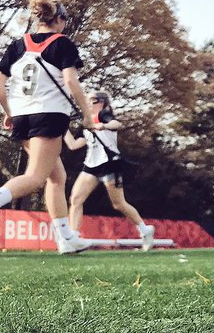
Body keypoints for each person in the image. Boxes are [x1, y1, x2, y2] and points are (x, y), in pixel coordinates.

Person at [0, 0, 95, 254]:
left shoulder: (18, 45)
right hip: (48, 116)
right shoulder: (63, 44)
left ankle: (65, 239)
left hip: (23, 116)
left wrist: (9, 112)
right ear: (59, 19)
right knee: (36, 177)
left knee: (57, 176)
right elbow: (71, 82)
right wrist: (86, 115)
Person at [63, 91, 155, 251]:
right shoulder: (86, 122)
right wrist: (61, 127)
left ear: (101, 103)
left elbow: (116, 124)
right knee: (76, 199)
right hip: (91, 165)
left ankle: (145, 230)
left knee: (118, 204)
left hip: (109, 164)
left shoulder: (104, 115)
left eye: (91, 100)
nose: (87, 103)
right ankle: (74, 238)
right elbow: (73, 145)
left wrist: (103, 125)